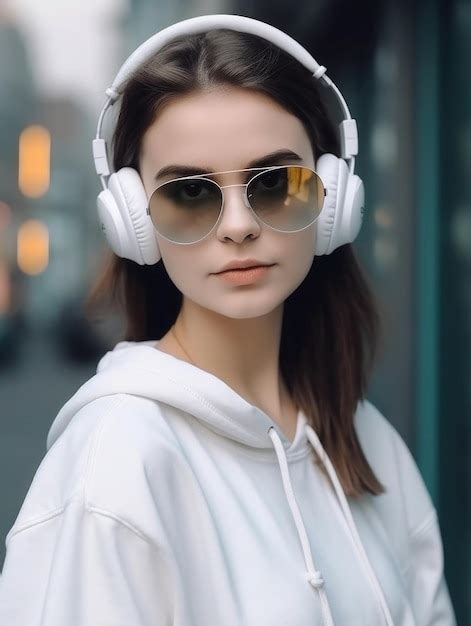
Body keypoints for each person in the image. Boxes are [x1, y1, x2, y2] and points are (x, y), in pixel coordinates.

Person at [0, 14, 456, 626]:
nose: (239, 225)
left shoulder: (367, 442)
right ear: (134, 224)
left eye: (276, 184)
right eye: (190, 193)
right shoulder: (116, 462)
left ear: (333, 198)